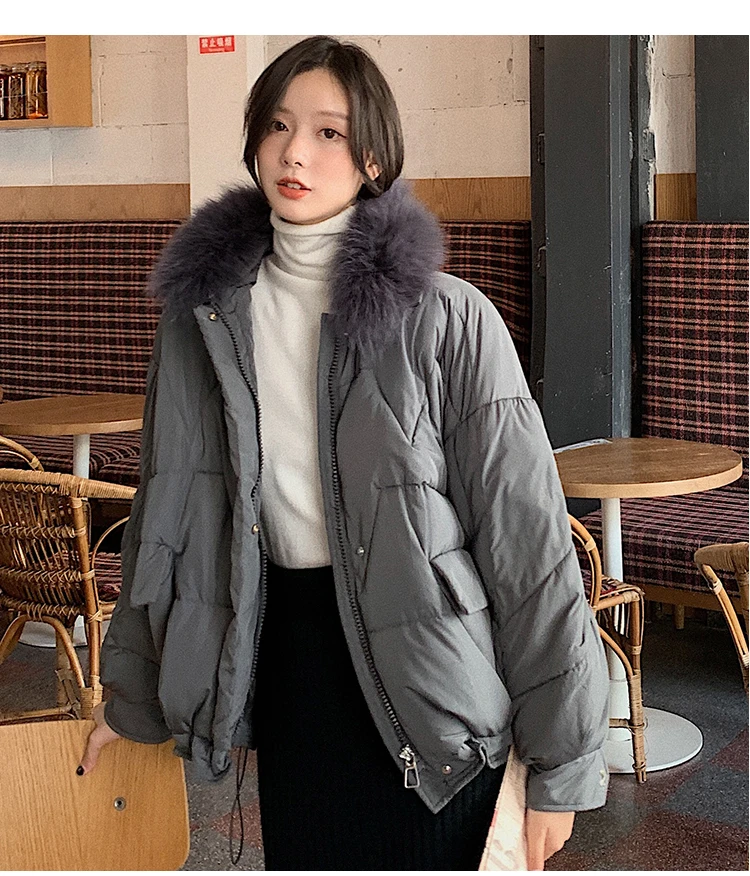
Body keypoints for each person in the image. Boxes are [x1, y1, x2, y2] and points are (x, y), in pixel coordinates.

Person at [80, 35, 610, 871]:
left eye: (329, 132)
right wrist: (132, 699)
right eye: (278, 125)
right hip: (290, 671)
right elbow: (165, 517)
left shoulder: (447, 318)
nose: (295, 152)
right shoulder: (200, 320)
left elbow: (528, 547)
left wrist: (564, 762)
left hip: (433, 687)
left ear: (373, 157)